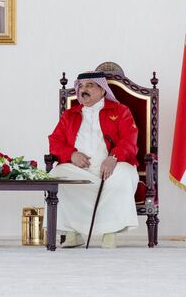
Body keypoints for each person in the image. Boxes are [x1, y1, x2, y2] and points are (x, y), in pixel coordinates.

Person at [47, 71, 139, 248]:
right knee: (56, 175)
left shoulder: (120, 111)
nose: (83, 90)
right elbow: (55, 141)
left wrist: (114, 157)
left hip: (110, 168)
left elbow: (129, 139)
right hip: (78, 169)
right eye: (81, 86)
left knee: (125, 174)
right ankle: (73, 232)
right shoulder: (70, 115)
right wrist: (71, 155)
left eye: (89, 85)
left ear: (102, 90)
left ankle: (109, 233)